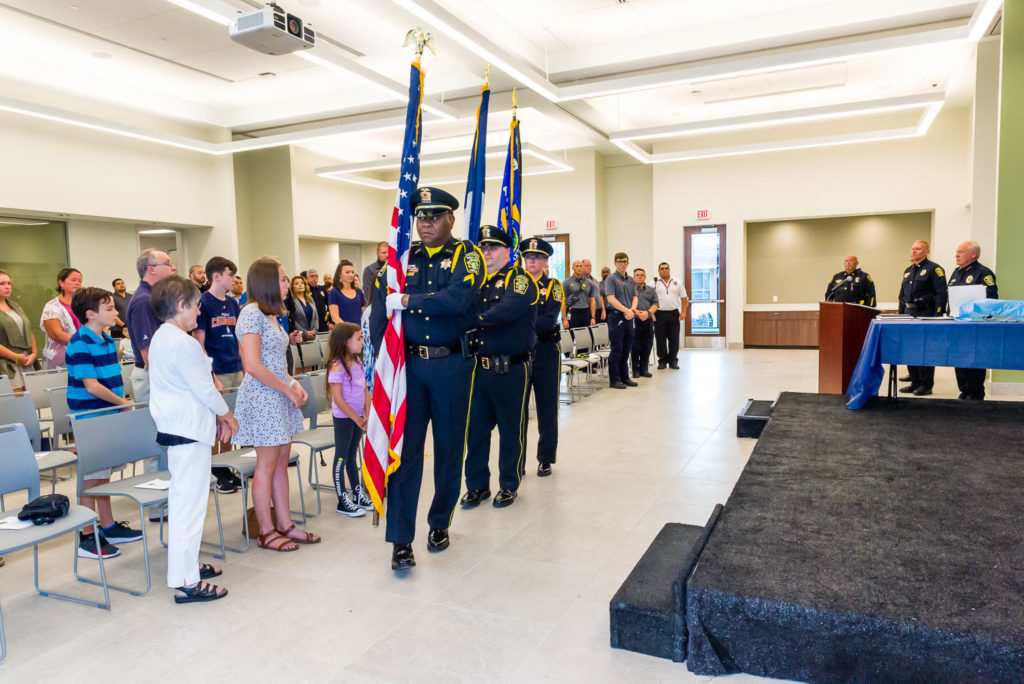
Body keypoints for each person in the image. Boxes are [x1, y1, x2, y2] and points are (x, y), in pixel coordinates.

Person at [370, 186, 483, 571]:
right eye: (420, 216)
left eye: (434, 216)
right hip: (410, 371)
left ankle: (439, 523)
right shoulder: (404, 257)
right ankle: (401, 540)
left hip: (452, 367)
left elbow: (457, 300)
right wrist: (381, 366)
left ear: (451, 218)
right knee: (404, 454)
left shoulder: (468, 255)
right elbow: (377, 312)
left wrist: (407, 301)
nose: (425, 223)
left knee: (450, 450)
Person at [148, 275, 237, 603]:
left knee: (188, 503)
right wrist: (227, 414)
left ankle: (187, 564)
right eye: (196, 305)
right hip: (186, 431)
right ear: (181, 306)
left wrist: (218, 415)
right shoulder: (182, 343)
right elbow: (204, 389)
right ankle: (185, 582)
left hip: (183, 428)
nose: (199, 311)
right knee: (189, 506)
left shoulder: (164, 336)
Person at [232, 257, 320, 551]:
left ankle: (285, 524)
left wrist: (292, 386)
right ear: (268, 282)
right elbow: (253, 366)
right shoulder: (250, 313)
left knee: (283, 462)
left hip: (277, 395)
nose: (288, 284)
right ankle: (266, 531)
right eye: (283, 279)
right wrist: (288, 388)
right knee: (267, 465)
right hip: (263, 397)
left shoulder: (270, 315)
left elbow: (275, 361)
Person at [462, 226, 538, 509]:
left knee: (510, 430)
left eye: (493, 247)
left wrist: (468, 319)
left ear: (509, 251)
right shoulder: (477, 281)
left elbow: (504, 312)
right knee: (476, 431)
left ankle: (509, 484)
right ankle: (477, 485)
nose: (487, 252)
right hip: (478, 370)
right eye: (483, 248)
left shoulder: (521, 281)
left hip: (510, 369)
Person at [66, 286, 142, 559]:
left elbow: (112, 381)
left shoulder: (108, 340)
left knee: (104, 476)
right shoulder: (80, 342)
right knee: (91, 479)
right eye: (109, 308)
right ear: (90, 314)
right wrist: (124, 404)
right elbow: (92, 386)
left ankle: (108, 525)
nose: (115, 312)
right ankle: (86, 535)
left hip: (109, 414)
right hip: (91, 418)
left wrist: (121, 403)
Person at [193, 256, 244, 492]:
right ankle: (216, 470)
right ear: (217, 276)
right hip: (218, 370)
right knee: (218, 422)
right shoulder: (204, 302)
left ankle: (227, 464)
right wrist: (210, 375)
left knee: (232, 421)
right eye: (230, 275)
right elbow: (199, 343)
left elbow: (239, 338)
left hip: (236, 366)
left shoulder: (233, 304)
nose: (234, 279)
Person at [521, 238, 562, 477]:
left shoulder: (553, 286)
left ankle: (545, 458)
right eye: (528, 257)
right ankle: (519, 459)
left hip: (546, 351)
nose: (531, 261)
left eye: (536, 257)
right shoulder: (516, 284)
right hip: (521, 353)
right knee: (519, 410)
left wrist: (519, 325)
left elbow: (548, 320)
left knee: (547, 407)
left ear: (545, 261)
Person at [325, 322, 373, 517]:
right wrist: (355, 417)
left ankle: (357, 493)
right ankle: (342, 500)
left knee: (353, 456)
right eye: (359, 338)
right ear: (346, 342)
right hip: (345, 419)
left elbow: (365, 390)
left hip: (358, 418)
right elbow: (338, 398)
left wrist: (367, 414)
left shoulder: (359, 362)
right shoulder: (337, 365)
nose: (362, 342)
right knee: (342, 457)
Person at [948, 241, 998, 400]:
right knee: (959, 358)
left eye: (961, 251)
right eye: (957, 251)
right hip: (957, 324)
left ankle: (975, 393)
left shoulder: (984, 273)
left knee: (974, 358)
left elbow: (991, 297)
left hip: (974, 325)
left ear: (973, 254)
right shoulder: (956, 273)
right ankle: (964, 390)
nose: (957, 254)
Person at [897, 240, 948, 396]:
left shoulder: (934, 269)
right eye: (913, 249)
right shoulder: (908, 270)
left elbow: (941, 293)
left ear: (927, 251)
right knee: (910, 349)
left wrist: (937, 315)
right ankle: (915, 382)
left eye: (918, 249)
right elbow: (902, 295)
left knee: (925, 351)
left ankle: (926, 385)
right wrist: (900, 314)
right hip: (909, 314)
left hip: (926, 314)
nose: (914, 251)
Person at [604, 253, 639, 389]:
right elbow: (611, 299)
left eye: (624, 261)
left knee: (626, 349)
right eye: (619, 261)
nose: (622, 264)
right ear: (615, 263)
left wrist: (632, 310)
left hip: (629, 316)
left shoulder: (630, 280)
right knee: (617, 349)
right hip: (617, 316)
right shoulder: (611, 279)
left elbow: (635, 297)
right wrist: (626, 310)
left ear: (628, 263)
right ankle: (615, 379)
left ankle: (625, 377)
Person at [0, 269, 39, 390]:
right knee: (15, 404)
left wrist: (34, 353)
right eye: (2, 284)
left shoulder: (15, 306)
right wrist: (15, 357)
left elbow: (27, 330)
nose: (7, 287)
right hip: (6, 366)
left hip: (26, 361)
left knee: (32, 402)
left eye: (9, 283)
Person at [40, 267, 83, 369]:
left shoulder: (83, 304)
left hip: (83, 354)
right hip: (61, 359)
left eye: (80, 281)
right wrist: (85, 342)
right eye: (73, 280)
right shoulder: (52, 306)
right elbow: (57, 335)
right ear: (61, 283)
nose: (77, 283)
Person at [653, 262, 687, 370]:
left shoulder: (678, 282)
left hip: (673, 314)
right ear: (658, 271)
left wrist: (684, 312)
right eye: (662, 268)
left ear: (669, 270)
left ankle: (673, 361)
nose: (664, 270)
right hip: (659, 314)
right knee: (660, 339)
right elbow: (649, 300)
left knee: (674, 338)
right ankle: (662, 361)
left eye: (666, 268)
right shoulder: (653, 283)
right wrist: (652, 314)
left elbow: (684, 299)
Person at [631, 268, 658, 378]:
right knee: (635, 346)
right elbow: (627, 304)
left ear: (645, 277)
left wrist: (647, 313)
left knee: (647, 345)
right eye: (637, 275)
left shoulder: (651, 290)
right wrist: (637, 313)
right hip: (634, 320)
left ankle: (644, 369)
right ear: (634, 277)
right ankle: (635, 370)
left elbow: (656, 304)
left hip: (648, 320)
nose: (639, 276)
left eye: (642, 275)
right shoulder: (630, 289)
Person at [328, 260, 366, 325]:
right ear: (340, 274)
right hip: (343, 331)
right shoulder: (334, 292)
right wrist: (350, 331)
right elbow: (335, 317)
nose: (351, 275)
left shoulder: (359, 292)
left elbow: (364, 313)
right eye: (347, 272)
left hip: (359, 331)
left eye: (352, 272)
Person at [563, 260, 597, 329]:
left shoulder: (589, 283)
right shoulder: (566, 283)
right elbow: (563, 301)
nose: (579, 268)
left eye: (581, 266)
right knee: (572, 337)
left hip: (586, 312)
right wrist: (564, 319)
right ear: (573, 268)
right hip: (572, 312)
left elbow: (592, 300)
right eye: (577, 266)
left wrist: (593, 317)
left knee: (587, 337)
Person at [286, 275, 319, 344]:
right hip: (298, 336)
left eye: (302, 283)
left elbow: (316, 317)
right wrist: (304, 332)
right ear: (292, 287)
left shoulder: (310, 299)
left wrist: (314, 331)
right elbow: (293, 320)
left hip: (312, 336)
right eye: (297, 284)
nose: (300, 285)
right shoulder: (291, 301)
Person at [362, 241, 388, 306]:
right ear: (377, 253)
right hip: (376, 306)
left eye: (389, 252)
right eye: (383, 253)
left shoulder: (394, 270)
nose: (387, 255)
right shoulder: (369, 270)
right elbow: (368, 293)